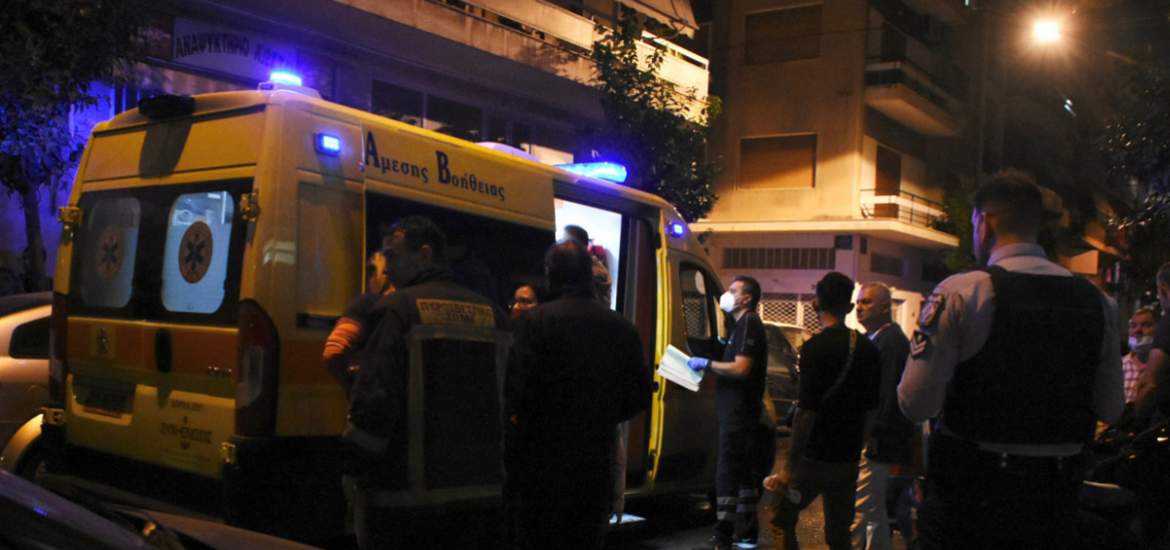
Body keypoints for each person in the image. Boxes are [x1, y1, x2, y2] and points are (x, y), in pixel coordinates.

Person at [897, 170, 1124, 550]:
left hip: (972, 503)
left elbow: (915, 402)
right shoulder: (1098, 302)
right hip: (1054, 505)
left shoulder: (964, 292)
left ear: (983, 222)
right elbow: (1111, 408)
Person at [342, 216, 509, 549]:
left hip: (408, 503)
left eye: (393, 257)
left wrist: (354, 466)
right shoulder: (494, 315)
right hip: (482, 499)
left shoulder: (398, 310)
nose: (387, 268)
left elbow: (375, 400)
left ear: (425, 254)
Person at [504, 239, 651, 550]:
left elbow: (516, 389)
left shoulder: (534, 323)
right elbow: (638, 396)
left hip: (541, 462)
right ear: (587, 274)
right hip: (594, 463)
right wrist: (600, 416)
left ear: (551, 274)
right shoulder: (622, 328)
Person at [763, 272, 881, 550]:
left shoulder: (814, 348)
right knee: (839, 533)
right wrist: (857, 446)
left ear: (816, 304)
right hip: (847, 460)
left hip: (812, 459)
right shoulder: (868, 349)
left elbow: (806, 413)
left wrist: (789, 467)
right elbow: (871, 409)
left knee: (781, 517)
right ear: (849, 307)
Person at [687, 275, 769, 549]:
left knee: (728, 471)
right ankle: (746, 531)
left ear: (747, 298)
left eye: (734, 290)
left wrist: (707, 364)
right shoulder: (740, 326)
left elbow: (741, 368)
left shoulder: (749, 323)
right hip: (739, 411)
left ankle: (723, 534)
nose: (728, 294)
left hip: (738, 413)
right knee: (743, 473)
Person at [849, 282, 913, 550]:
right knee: (874, 512)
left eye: (867, 302)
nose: (859, 307)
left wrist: (871, 435)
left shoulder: (891, 343)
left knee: (859, 509)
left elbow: (886, 396)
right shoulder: (877, 339)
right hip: (874, 438)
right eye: (858, 302)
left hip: (876, 441)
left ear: (886, 307)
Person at [322, 250, 394, 389]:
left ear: (386, 274)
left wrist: (354, 388)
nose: (369, 278)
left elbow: (333, 352)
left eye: (372, 270)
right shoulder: (406, 307)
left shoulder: (368, 304)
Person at [1123, 307, 1157, 405]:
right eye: (1133, 326)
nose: (1138, 330)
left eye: (1146, 325)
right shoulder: (1119, 366)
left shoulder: (1163, 367)